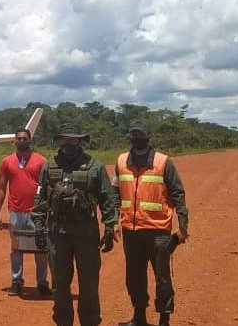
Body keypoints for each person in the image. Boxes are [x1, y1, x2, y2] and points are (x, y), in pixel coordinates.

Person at [31, 125, 119, 326]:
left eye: (73, 140)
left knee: (88, 284)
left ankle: (89, 321)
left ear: (80, 141)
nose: (68, 144)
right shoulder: (49, 166)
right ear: (59, 141)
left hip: (86, 232)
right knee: (60, 283)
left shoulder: (94, 166)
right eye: (64, 140)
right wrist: (38, 226)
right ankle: (63, 322)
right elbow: (41, 199)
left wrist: (109, 227)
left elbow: (106, 198)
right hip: (57, 233)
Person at [115, 124, 189, 326]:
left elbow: (178, 193)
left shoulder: (163, 162)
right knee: (134, 277)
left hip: (158, 231)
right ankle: (139, 317)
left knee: (162, 277)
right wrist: (114, 220)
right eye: (134, 134)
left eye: (141, 134)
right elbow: (115, 192)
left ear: (149, 136)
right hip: (131, 230)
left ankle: (164, 319)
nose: (137, 137)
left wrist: (183, 225)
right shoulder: (122, 161)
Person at [0, 128, 49, 296]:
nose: (21, 141)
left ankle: (42, 283)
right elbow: (2, 188)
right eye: (19, 138)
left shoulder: (41, 161)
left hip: (37, 212)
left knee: (41, 248)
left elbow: (47, 188)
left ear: (30, 141)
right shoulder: (7, 162)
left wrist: (47, 210)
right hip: (16, 211)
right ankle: (17, 281)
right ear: (14, 141)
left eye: (25, 139)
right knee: (16, 248)